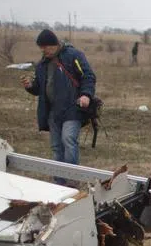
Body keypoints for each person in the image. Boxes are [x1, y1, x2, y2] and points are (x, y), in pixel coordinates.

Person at [21, 29, 97, 172]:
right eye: (41, 49)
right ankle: (59, 182)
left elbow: (88, 76)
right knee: (56, 147)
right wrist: (30, 86)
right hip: (52, 112)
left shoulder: (74, 56)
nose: (44, 51)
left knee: (68, 140)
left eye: (46, 48)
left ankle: (72, 178)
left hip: (72, 109)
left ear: (54, 44)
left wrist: (86, 95)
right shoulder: (42, 64)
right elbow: (39, 88)